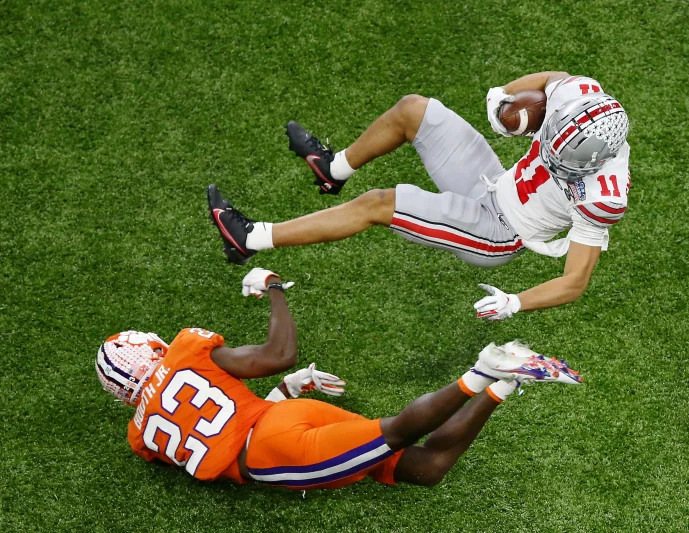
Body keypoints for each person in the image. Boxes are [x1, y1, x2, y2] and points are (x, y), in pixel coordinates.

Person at [95, 268, 582, 489]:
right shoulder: (184, 350)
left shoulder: (140, 437)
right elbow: (257, 378)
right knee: (422, 469)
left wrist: (274, 291)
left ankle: (483, 370)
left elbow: (215, 428)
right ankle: (504, 379)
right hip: (284, 418)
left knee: (395, 431)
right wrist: (273, 294)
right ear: (152, 348)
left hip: (271, 453)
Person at [208, 72, 630, 321]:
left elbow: (575, 281)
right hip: (494, 182)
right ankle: (332, 168)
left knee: (379, 202)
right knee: (414, 109)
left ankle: (250, 239)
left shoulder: (604, 195)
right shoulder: (579, 97)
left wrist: (515, 302)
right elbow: (543, 82)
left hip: (498, 232)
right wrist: (505, 102)